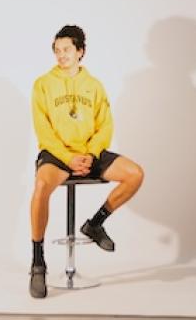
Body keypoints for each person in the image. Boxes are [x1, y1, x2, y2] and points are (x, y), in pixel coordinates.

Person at [28, 25, 145, 298]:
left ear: (81, 51)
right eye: (57, 50)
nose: (61, 55)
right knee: (41, 188)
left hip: (90, 152)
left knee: (135, 174)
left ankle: (95, 223)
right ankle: (38, 262)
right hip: (57, 154)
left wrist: (91, 155)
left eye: (67, 49)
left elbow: (105, 125)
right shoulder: (42, 84)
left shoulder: (94, 86)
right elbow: (42, 129)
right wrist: (68, 157)